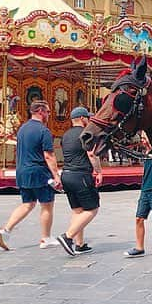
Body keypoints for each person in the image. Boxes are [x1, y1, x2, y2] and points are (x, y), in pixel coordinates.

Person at [0, 100, 62, 251]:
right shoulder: (43, 131)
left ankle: (6, 230)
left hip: (22, 171)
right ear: (40, 111)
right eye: (48, 112)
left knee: (28, 203)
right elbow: (49, 155)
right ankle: (45, 238)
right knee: (47, 205)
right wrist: (56, 175)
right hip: (38, 171)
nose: (49, 115)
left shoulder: (22, 129)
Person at [54, 107, 102, 256]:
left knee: (77, 210)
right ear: (82, 118)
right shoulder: (85, 134)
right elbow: (91, 154)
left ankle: (79, 244)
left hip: (66, 174)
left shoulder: (66, 135)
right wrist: (99, 171)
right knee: (92, 209)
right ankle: (67, 237)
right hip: (80, 175)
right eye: (87, 117)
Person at [125, 133, 152, 259]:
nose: (143, 141)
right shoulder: (146, 153)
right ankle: (139, 247)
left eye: (145, 138)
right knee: (139, 218)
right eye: (142, 139)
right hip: (145, 190)